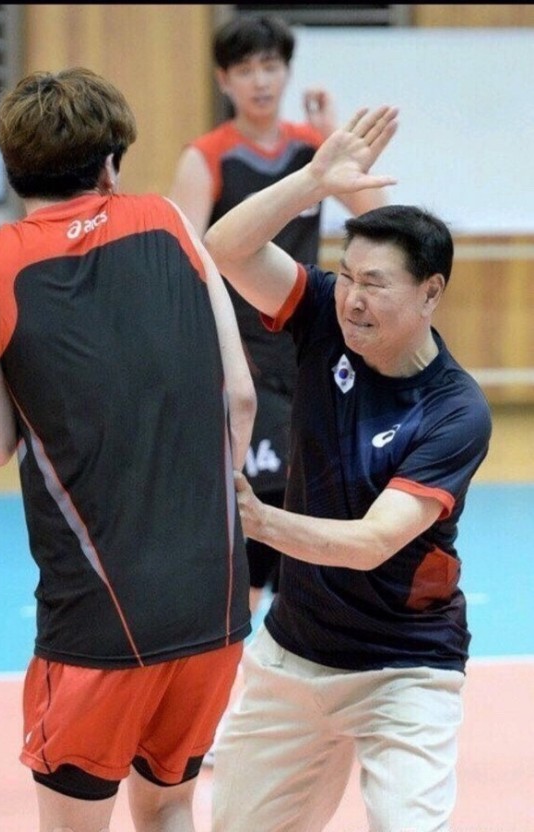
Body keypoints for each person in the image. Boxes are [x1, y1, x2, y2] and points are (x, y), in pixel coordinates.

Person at [0, 67, 256, 832]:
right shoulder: (171, 221)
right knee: (171, 807)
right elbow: (241, 398)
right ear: (111, 164)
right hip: (213, 594)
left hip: (97, 618)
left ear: (14, 167)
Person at [204, 105, 493, 832]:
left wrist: (258, 521)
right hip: (295, 652)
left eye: (376, 283)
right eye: (347, 274)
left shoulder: (455, 411)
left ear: (431, 292)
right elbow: (226, 247)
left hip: (405, 668)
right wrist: (312, 181)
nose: (354, 299)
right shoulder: (325, 313)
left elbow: (371, 543)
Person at [169, 13, 388, 617]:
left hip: (309, 345)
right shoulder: (207, 157)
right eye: (245, 70)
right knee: (255, 510)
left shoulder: (311, 148)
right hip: (242, 353)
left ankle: (301, 639)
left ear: (288, 72)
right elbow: (185, 264)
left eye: (271, 66)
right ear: (224, 80)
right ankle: (231, 638)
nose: (260, 81)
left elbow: (381, 220)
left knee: (314, 498)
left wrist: (332, 136)